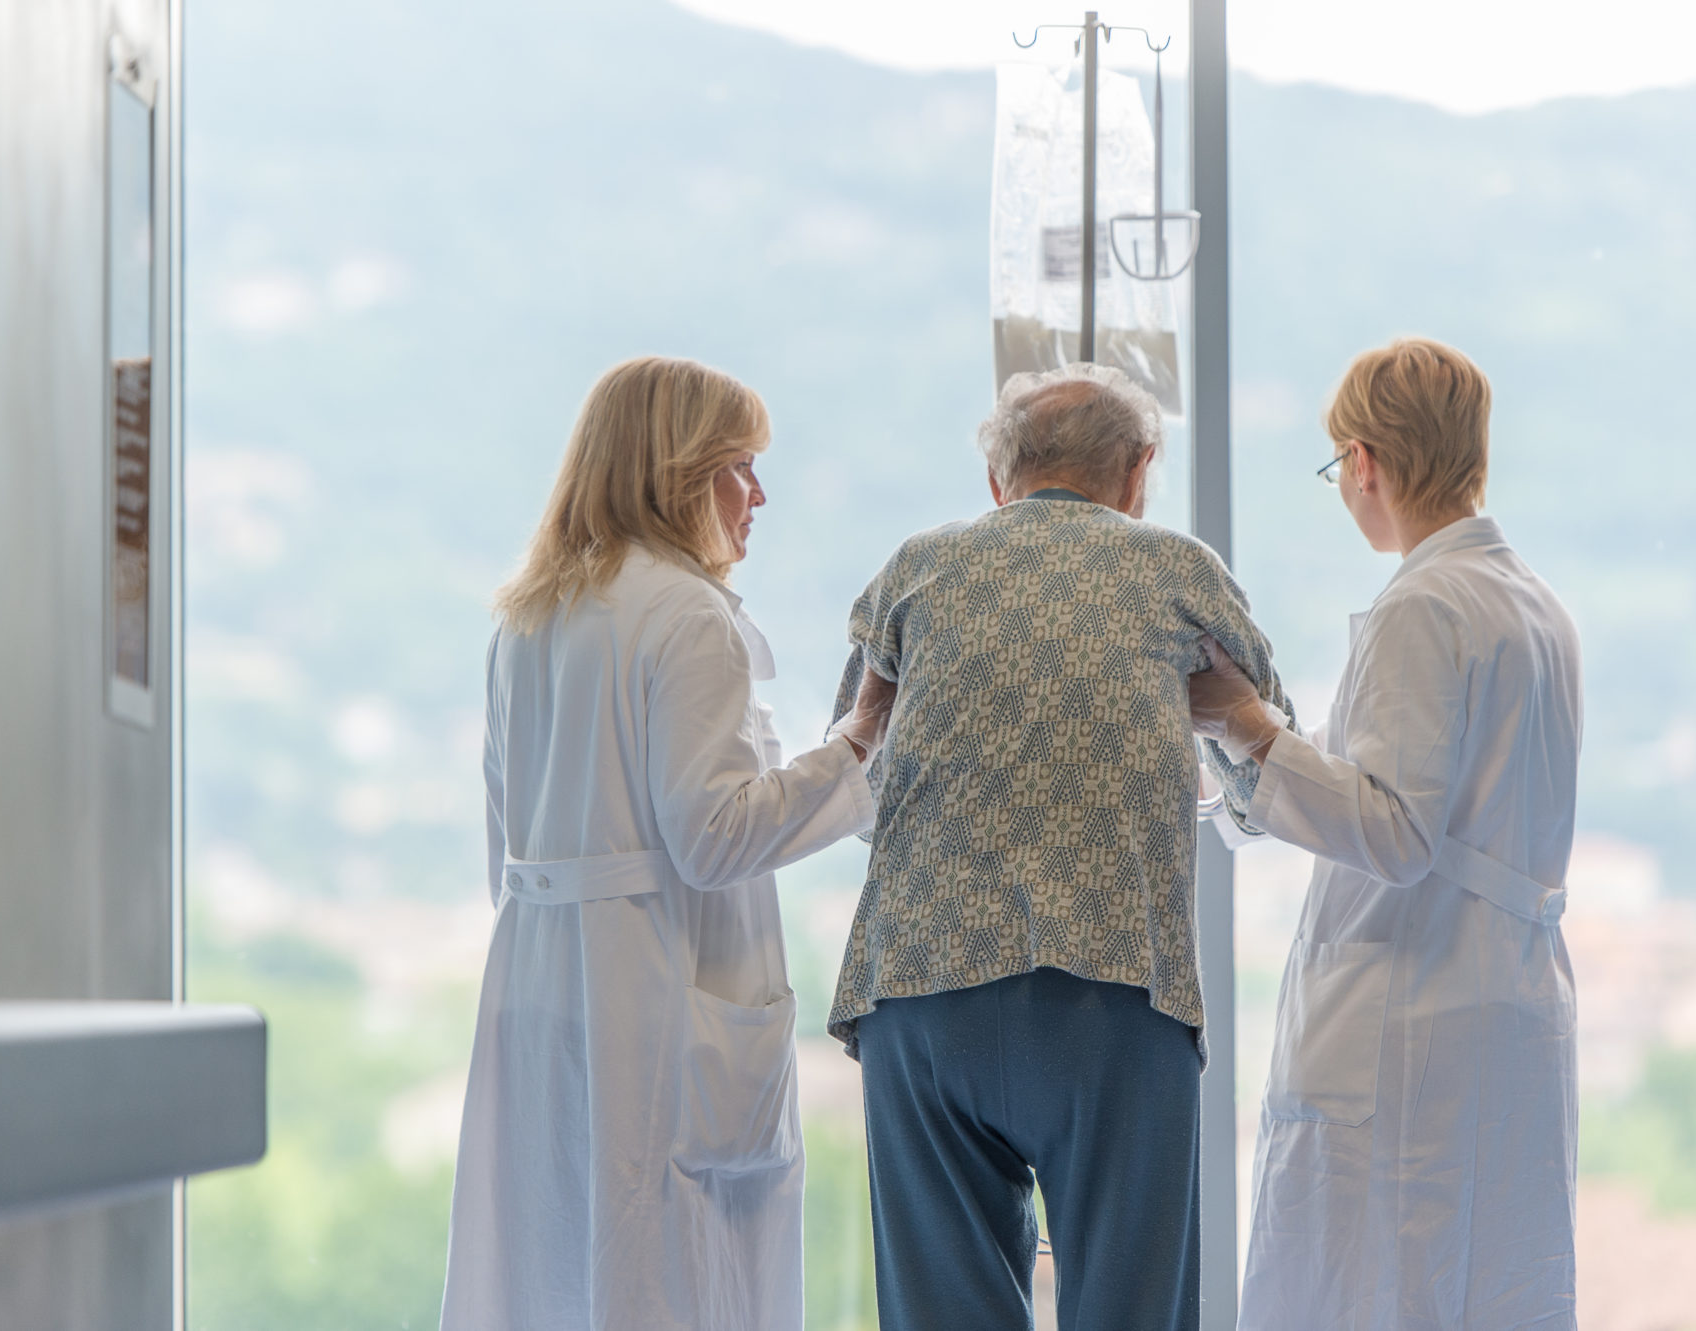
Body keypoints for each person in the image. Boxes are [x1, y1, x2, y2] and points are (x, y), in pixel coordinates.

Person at [825, 363, 1294, 1331]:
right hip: (1113, 991)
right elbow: (1264, 783)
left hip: (922, 986)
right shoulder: (1178, 568)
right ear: (1137, 471)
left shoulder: (913, 568)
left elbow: (859, 783)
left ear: (1001, 479)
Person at [439, 356, 887, 1331]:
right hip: (652, 985)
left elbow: (501, 835)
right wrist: (856, 743)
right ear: (676, 471)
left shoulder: (528, 618)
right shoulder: (686, 615)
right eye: (739, 465)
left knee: (551, 1258)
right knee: (666, 1268)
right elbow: (714, 835)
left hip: (540, 982)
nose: (757, 493)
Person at [1191, 338, 1582, 1330]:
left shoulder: (1423, 603)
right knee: (1488, 1279)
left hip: (1414, 1014)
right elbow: (1398, 784)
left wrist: (1242, 721)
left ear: (1362, 460)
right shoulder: (1531, 603)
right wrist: (1258, 762)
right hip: (1500, 999)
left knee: (1376, 1287)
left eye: (1336, 467)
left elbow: (1393, 827)